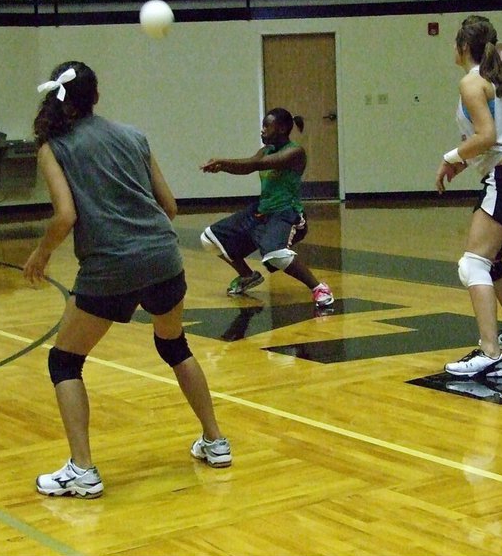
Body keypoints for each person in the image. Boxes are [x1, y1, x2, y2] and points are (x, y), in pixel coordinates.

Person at [24, 61, 231, 499]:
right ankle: (215, 442)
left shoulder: (53, 147)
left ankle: (82, 470)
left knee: (64, 362)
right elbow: (170, 207)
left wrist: (41, 254)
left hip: (110, 267)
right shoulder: (134, 137)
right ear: (95, 97)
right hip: (164, 258)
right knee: (173, 345)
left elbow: (65, 216)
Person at [436, 15, 502, 378]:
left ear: (463, 47)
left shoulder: (471, 82)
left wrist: (451, 157)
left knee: (473, 264)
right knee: (492, 261)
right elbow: (496, 142)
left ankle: (490, 353)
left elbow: (487, 135)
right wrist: (461, 165)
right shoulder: (496, 79)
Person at [199, 108, 334, 309]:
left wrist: (223, 161)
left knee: (275, 253)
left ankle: (319, 288)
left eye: (266, 126)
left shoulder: (295, 152)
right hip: (261, 211)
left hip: (286, 213)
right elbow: (249, 166)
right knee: (209, 239)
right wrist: (223, 167)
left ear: (281, 129)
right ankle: (247, 276)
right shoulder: (266, 149)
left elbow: (257, 164)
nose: (262, 131)